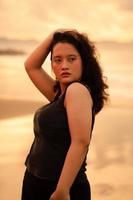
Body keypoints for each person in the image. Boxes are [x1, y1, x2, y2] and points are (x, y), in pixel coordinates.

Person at [21, 29, 109, 200]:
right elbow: (31, 66)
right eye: (57, 60)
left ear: (84, 62)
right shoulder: (60, 95)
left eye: (72, 59)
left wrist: (62, 190)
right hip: (36, 182)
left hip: (59, 188)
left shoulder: (77, 91)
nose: (64, 65)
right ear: (52, 65)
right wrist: (55, 35)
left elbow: (81, 142)